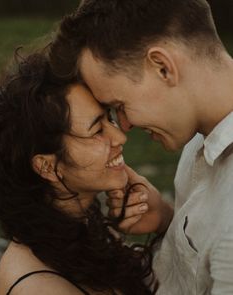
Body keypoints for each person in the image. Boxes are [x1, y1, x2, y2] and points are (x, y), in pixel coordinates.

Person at [48, 0, 233, 294]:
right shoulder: (199, 136)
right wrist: (167, 220)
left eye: (119, 106)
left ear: (162, 67)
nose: (123, 127)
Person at [0, 51, 157, 295]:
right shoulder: (36, 287)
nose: (120, 137)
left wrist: (163, 216)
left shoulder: (86, 228)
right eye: (96, 131)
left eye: (109, 119)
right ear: (47, 166)